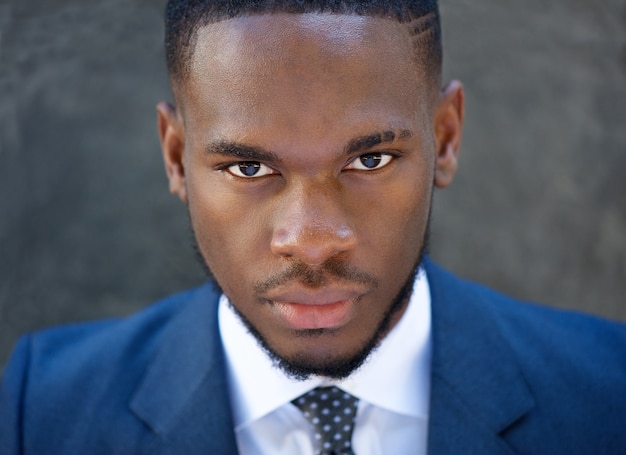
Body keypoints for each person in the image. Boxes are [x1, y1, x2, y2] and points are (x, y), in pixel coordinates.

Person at [1, 1, 625, 453]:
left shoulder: (608, 394)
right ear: (175, 157)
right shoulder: (44, 412)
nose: (311, 239)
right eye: (248, 167)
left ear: (445, 137)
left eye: (369, 160)